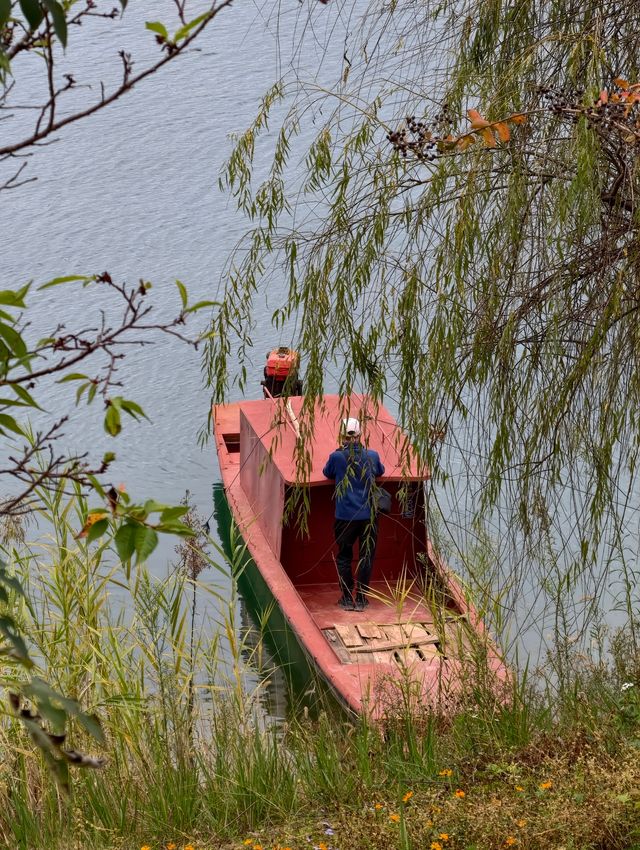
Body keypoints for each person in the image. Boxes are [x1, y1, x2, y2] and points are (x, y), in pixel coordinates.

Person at [322, 417, 385, 611]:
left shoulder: (337, 457)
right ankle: (362, 599)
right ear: (359, 435)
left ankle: (347, 598)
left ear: (343, 436)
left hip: (345, 516)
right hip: (368, 516)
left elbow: (327, 472)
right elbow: (380, 471)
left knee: (344, 556)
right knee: (366, 556)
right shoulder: (372, 456)